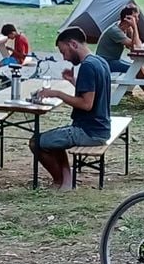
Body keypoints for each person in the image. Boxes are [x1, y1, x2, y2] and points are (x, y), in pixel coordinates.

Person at [33, 27, 111, 191]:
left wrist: (57, 93)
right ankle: (66, 179)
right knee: (55, 138)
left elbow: (86, 104)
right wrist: (72, 81)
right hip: (101, 127)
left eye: (64, 51)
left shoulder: (88, 67)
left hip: (88, 131)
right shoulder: (99, 61)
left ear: (73, 44)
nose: (65, 57)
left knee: (36, 143)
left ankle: (61, 180)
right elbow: (93, 93)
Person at [96, 6, 144, 105]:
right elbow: (135, 46)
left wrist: (133, 30)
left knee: (139, 67)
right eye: (135, 17)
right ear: (127, 18)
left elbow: (136, 47)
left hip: (113, 60)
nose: (137, 20)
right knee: (137, 69)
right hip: (105, 63)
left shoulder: (125, 28)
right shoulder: (115, 31)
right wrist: (134, 27)